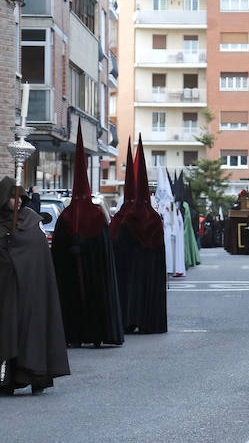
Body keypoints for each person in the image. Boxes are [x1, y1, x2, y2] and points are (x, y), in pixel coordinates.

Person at [0, 177, 70, 396]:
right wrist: (6, 258)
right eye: (13, 197)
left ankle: (36, 377)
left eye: (21, 197)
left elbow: (38, 257)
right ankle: (5, 381)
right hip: (2, 292)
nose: (19, 202)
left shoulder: (32, 221)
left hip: (29, 291)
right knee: (4, 331)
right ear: (4, 199)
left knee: (29, 332)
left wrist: (18, 256)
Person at [51, 124, 123, 348]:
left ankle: (75, 334)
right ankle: (96, 333)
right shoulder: (95, 215)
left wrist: (75, 248)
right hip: (91, 276)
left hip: (76, 275)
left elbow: (58, 253)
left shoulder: (67, 216)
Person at [110, 137, 167, 334]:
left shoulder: (121, 217)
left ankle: (126, 319)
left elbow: (113, 245)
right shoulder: (153, 218)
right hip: (146, 273)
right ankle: (147, 319)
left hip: (127, 272)